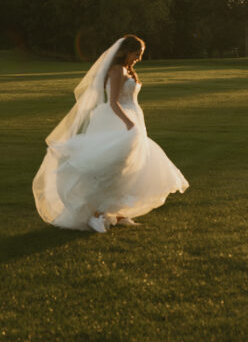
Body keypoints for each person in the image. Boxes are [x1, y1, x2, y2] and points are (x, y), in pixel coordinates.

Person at [33, 35, 188, 232]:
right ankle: (97, 214)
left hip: (133, 119)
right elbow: (114, 102)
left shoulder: (127, 70)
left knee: (131, 166)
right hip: (119, 121)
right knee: (113, 166)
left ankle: (119, 212)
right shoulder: (116, 70)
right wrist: (129, 124)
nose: (138, 58)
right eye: (136, 54)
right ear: (125, 51)